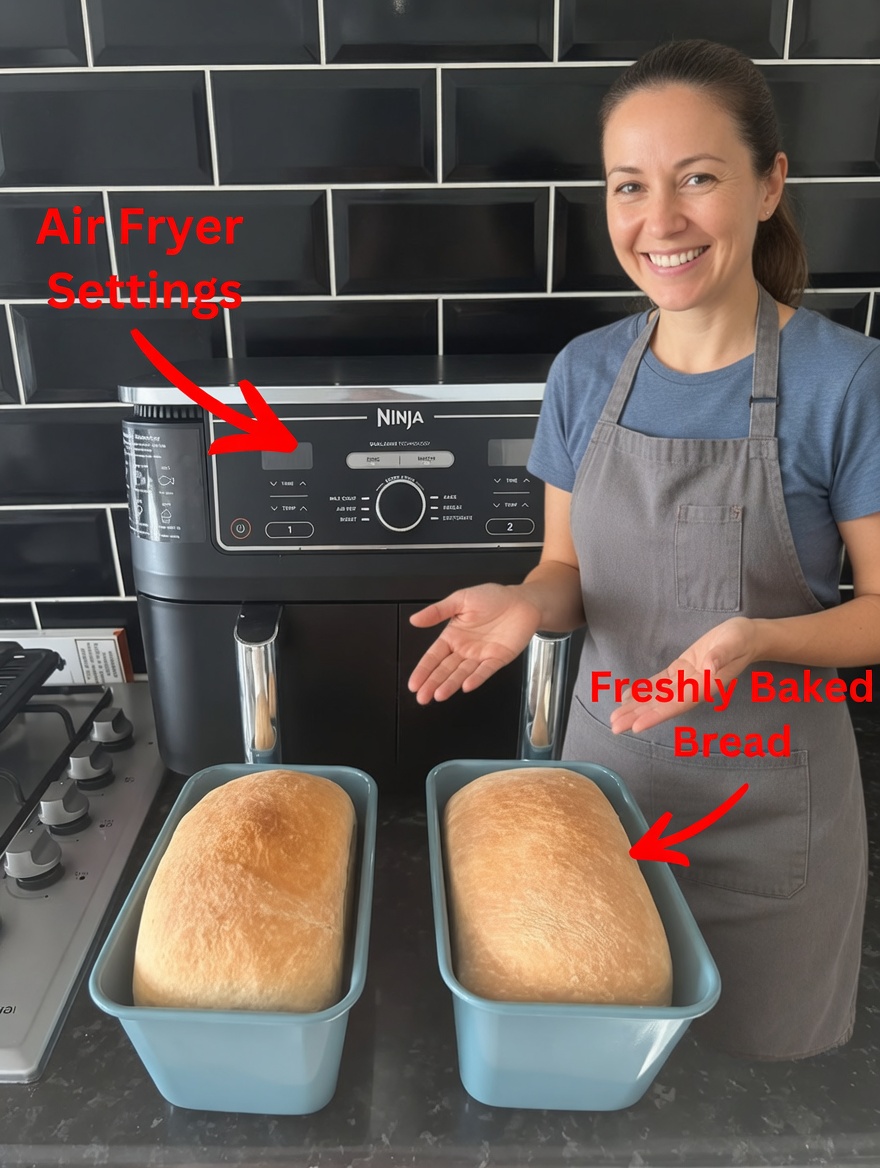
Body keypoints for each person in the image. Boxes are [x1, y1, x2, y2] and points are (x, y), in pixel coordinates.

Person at [408, 39, 880, 1061]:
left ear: (769, 186)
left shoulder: (848, 382)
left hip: (769, 822)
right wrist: (528, 604)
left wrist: (754, 640)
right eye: (630, 186)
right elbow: (567, 571)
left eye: (697, 178)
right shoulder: (584, 374)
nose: (657, 221)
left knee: (743, 1104)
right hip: (605, 806)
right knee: (600, 1079)